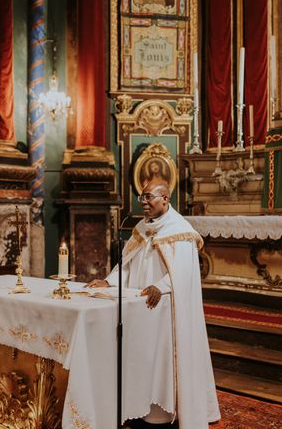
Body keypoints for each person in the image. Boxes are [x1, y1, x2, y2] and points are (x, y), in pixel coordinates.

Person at [87, 182, 220, 428]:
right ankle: (136, 407)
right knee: (139, 358)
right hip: (137, 307)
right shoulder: (140, 228)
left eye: (148, 197)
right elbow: (126, 265)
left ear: (165, 198)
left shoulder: (180, 230)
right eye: (142, 197)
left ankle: (160, 413)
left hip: (165, 308)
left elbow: (184, 271)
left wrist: (162, 286)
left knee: (161, 362)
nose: (143, 202)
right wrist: (108, 281)